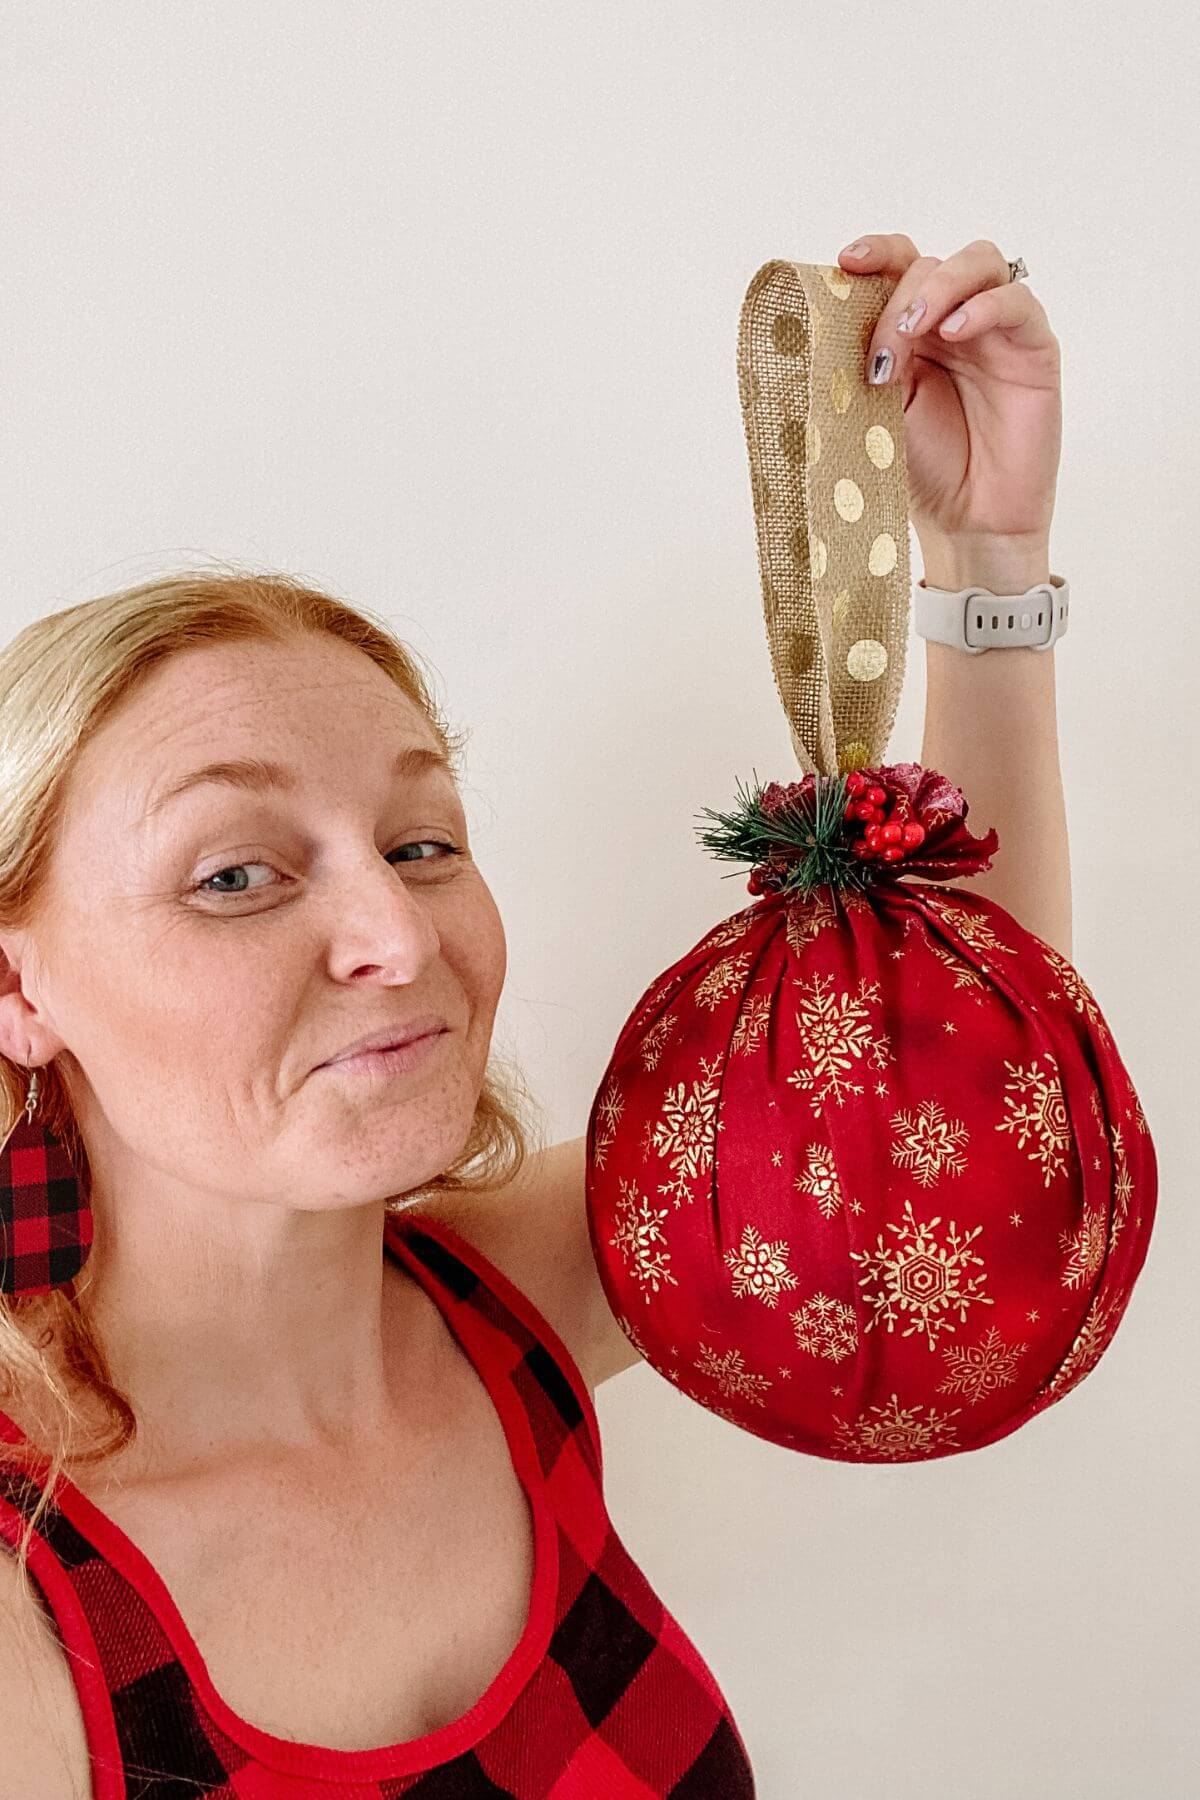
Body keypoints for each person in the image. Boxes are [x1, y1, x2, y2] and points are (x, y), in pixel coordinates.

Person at [0, 231, 1067, 1797]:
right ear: (19, 988)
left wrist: (990, 557)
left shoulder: (502, 1307)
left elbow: (972, 1100)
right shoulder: (32, 1605)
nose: (395, 933)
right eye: (235, 874)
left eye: (423, 843)